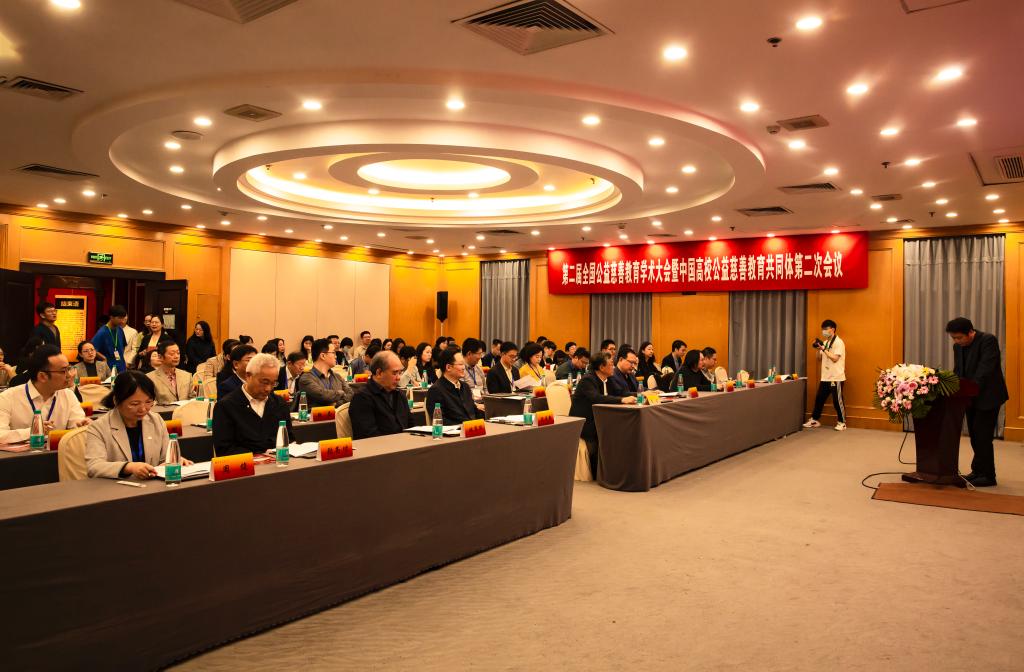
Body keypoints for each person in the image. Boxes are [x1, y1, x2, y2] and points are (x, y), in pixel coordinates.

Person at [84, 371, 192, 479]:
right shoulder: (99, 427)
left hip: (152, 485)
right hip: (119, 487)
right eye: (135, 404)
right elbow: (94, 467)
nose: (143, 409)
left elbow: (165, 457)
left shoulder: (156, 420)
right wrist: (128, 467)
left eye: (148, 402)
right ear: (116, 401)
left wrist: (174, 460)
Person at [946, 317, 1009, 487]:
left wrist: (971, 387)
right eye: (953, 338)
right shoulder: (957, 347)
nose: (956, 341)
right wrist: (951, 385)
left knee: (983, 436)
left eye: (959, 337)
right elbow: (959, 370)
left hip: (989, 397)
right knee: (974, 436)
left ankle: (989, 476)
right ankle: (978, 471)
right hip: (970, 397)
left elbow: (986, 369)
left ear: (970, 332)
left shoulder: (987, 340)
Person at [0, 345, 90, 443]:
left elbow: (77, 427)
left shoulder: (68, 395)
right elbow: (1, 434)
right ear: (42, 376)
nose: (69, 375)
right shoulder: (8, 398)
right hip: (21, 453)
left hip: (59, 452)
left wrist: (84, 427)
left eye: (69, 368)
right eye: (63, 371)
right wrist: (33, 431)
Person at [212, 353, 295, 457]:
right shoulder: (226, 406)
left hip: (278, 462)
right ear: (248, 376)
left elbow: (289, 439)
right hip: (245, 465)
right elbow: (224, 450)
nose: (268, 388)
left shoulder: (279, 404)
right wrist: (260, 455)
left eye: (273, 383)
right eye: (264, 382)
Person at [569, 351, 633, 478]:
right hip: (585, 422)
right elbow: (597, 398)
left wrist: (641, 394)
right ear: (601, 367)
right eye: (611, 365)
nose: (613, 367)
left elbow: (621, 393)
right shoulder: (588, 380)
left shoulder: (608, 378)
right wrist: (621, 400)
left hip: (601, 419)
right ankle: (601, 472)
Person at [350, 351, 415, 439]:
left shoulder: (399, 394)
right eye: (394, 373)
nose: (399, 378)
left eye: (400, 373)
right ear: (379, 373)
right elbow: (369, 435)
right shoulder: (362, 398)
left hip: (404, 443)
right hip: (379, 446)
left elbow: (411, 426)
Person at [803, 320, 847, 432]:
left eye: (826, 329)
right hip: (825, 377)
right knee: (819, 399)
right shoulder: (825, 342)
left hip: (836, 377)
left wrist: (824, 349)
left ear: (832, 329)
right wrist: (819, 349)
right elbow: (819, 358)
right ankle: (815, 420)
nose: (824, 331)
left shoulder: (839, 342)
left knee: (837, 401)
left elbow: (835, 358)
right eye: (823, 329)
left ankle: (842, 422)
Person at [426, 347, 483, 424]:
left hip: (472, 428)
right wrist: (465, 426)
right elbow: (440, 420)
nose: (464, 367)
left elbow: (474, 412)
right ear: (448, 367)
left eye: (464, 364)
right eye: (460, 364)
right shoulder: (436, 390)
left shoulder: (465, 386)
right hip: (456, 430)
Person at [295, 338, 353, 407]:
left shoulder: (337, 377)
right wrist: (341, 393)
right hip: (317, 414)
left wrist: (336, 404)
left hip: (339, 413)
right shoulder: (306, 378)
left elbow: (351, 394)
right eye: (333, 352)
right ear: (323, 356)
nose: (336, 356)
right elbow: (322, 395)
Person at [91, 305, 128, 373]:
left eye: (123, 318)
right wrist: (103, 358)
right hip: (108, 366)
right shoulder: (102, 332)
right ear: (111, 317)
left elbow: (123, 345)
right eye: (119, 318)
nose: (122, 321)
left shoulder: (120, 329)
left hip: (121, 365)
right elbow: (92, 349)